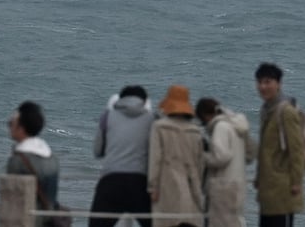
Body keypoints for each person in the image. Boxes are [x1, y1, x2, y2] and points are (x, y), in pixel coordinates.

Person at [89, 85, 155, 227]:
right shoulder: (152, 119)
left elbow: (98, 151)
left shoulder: (107, 116)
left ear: (121, 99)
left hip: (111, 180)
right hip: (140, 182)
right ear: (144, 101)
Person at [254, 62, 304, 226]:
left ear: (279, 84)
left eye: (268, 82)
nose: (263, 86)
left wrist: (296, 182)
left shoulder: (286, 112)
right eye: (260, 82)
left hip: (283, 192)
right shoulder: (267, 110)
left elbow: (296, 150)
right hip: (268, 192)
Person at [148, 85, 204, 227]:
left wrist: (152, 187)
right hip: (191, 189)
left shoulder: (160, 127)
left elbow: (155, 159)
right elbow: (200, 165)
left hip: (166, 187)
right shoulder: (195, 131)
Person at [195, 97, 255, 227]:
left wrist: (203, 156)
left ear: (205, 115)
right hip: (238, 184)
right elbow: (250, 155)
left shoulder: (220, 127)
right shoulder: (235, 127)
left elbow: (221, 156)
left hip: (223, 186)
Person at [6, 101, 60, 227]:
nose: (9, 127)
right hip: (48, 221)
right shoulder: (52, 158)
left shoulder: (18, 162)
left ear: (21, 128)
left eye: (11, 124)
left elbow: (13, 201)